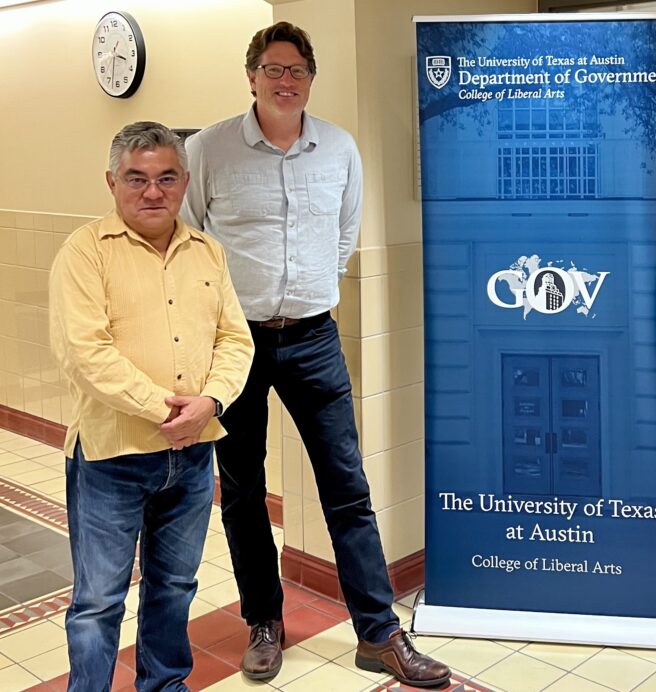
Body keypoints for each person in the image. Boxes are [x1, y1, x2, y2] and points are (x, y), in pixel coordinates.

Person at [180, 22, 449, 687]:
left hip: (313, 337)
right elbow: (188, 243)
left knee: (347, 487)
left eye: (297, 70)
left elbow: (344, 235)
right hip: (234, 344)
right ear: (250, 75)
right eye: (273, 69)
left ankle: (379, 634)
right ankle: (264, 623)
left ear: (309, 78)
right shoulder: (208, 149)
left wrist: (304, 293)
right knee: (241, 489)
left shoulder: (339, 148)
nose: (285, 81)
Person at [49, 121, 255, 691]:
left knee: (174, 587)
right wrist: (170, 413)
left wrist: (210, 401)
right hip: (111, 460)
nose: (153, 191)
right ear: (112, 182)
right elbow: (86, 355)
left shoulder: (208, 252)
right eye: (136, 179)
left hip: (191, 460)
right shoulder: (84, 254)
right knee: (97, 602)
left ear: (184, 181)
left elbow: (236, 340)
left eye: (166, 178)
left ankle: (164, 685)